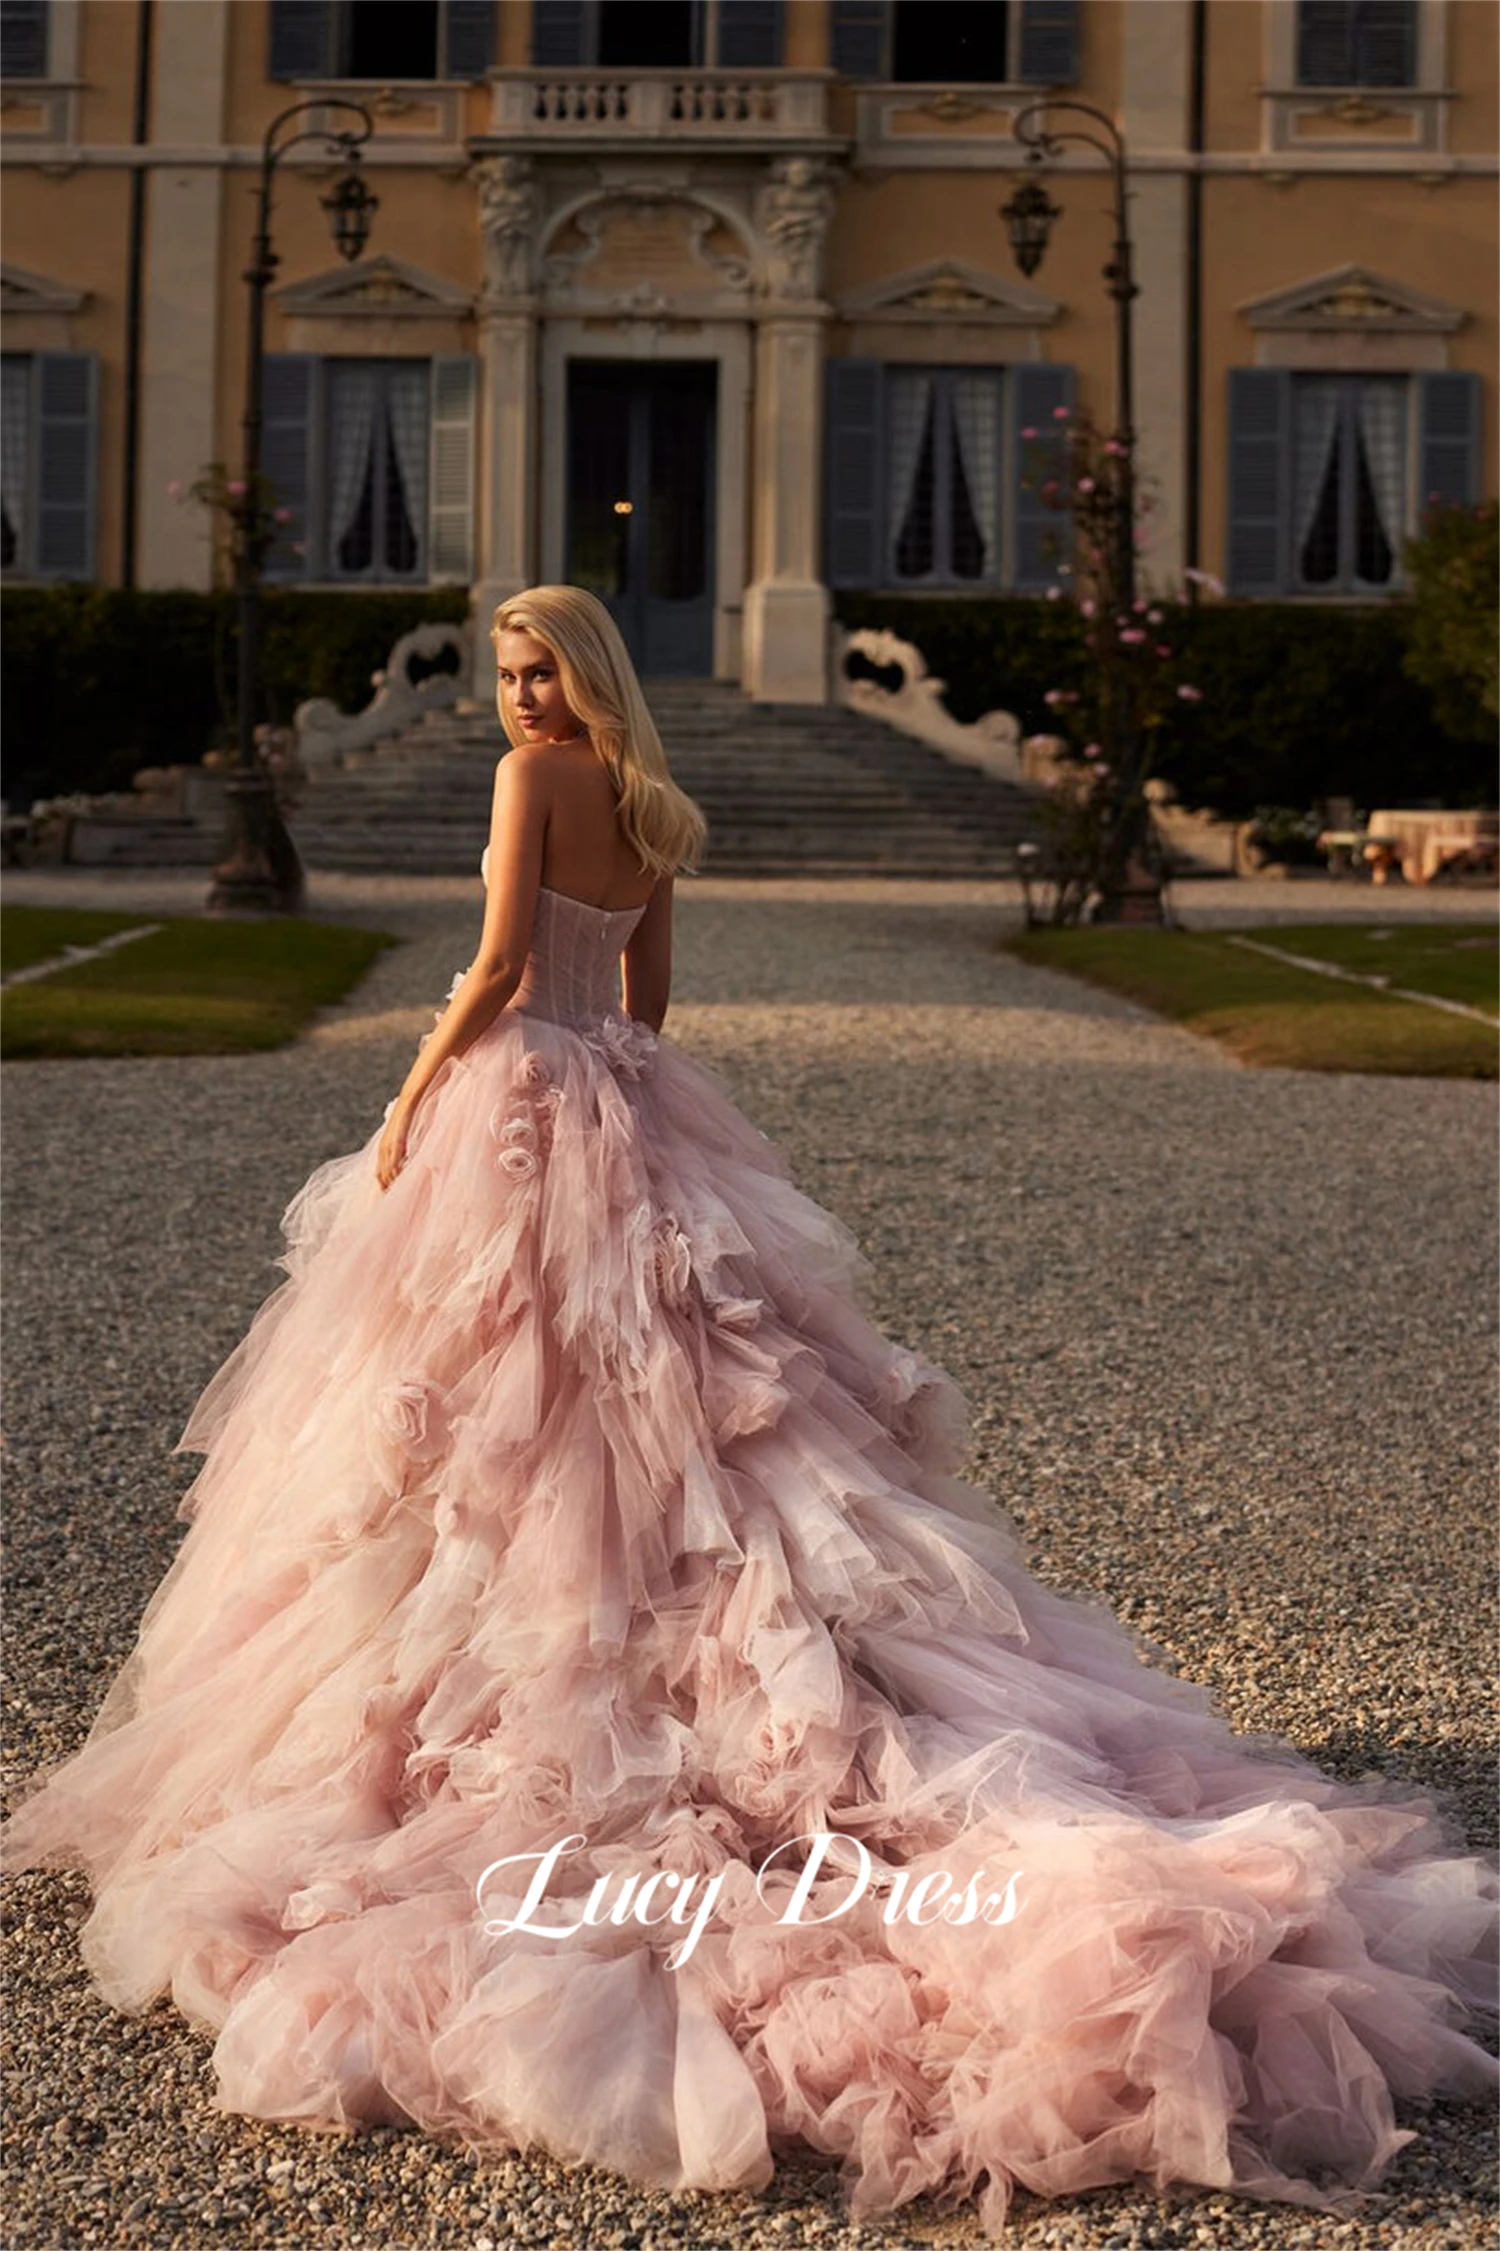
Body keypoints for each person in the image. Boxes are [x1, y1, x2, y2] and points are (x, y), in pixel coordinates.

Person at [2, 585, 1495, 2238]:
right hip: (628, 1111)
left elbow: (502, 963)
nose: (517, 700)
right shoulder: (649, 802)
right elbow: (645, 1003)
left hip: (517, 1099)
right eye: (505, 675)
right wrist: (617, 1120)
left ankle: (523, 1652)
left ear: (582, 677)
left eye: (538, 671)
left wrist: (423, 1085)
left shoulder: (531, 785)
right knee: (682, 1416)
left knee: (490, 1406)